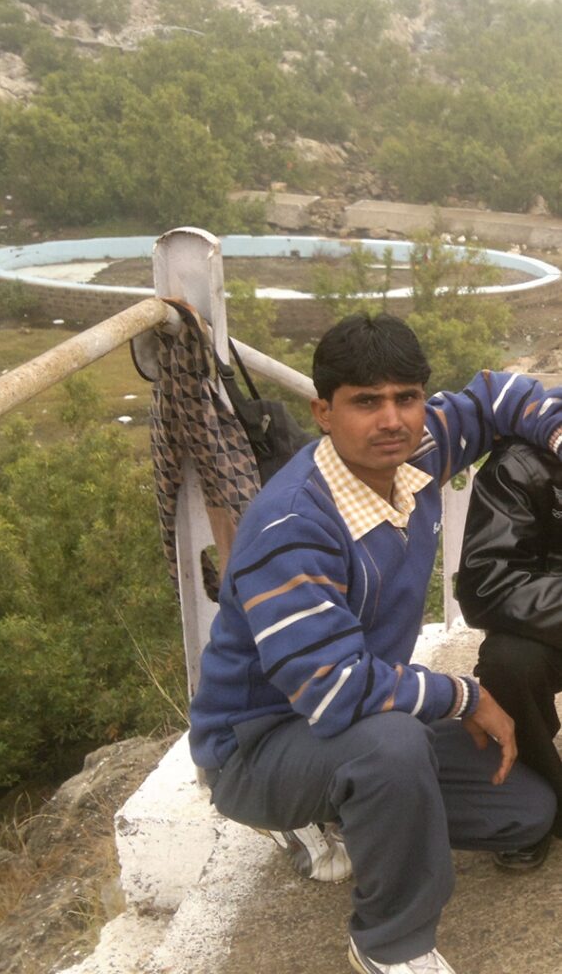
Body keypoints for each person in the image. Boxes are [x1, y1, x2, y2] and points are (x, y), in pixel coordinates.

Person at [189, 314, 559, 974]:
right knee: (390, 746)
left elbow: (497, 396)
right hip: (258, 743)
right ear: (323, 412)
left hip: (355, 715)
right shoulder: (293, 526)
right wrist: (463, 696)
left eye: (406, 397)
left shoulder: (416, 452)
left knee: (526, 812)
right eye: (366, 402)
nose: (391, 420)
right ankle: (391, 944)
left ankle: (342, 805)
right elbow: (333, 689)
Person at [457, 436, 562, 842]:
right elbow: (487, 582)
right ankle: (541, 800)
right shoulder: (518, 464)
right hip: (548, 623)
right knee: (508, 663)